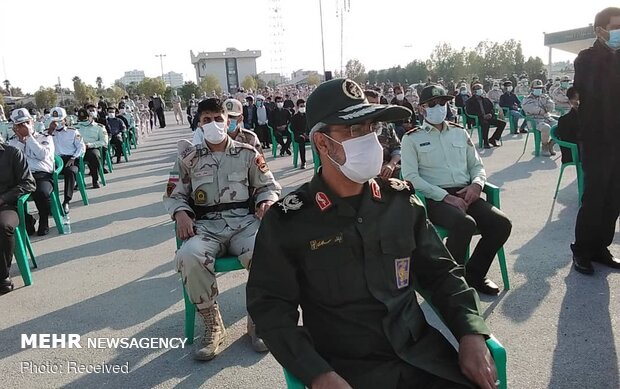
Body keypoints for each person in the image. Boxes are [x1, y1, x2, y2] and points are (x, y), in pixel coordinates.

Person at [247, 78, 499, 389]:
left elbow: (442, 274)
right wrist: (317, 374)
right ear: (322, 143)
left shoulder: (401, 202)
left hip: (424, 360)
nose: (368, 139)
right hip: (348, 372)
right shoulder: (290, 220)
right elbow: (270, 309)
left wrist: (470, 332)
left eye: (371, 127)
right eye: (353, 130)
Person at [163, 97, 281, 360]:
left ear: (228, 122)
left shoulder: (247, 154)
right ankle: (212, 323)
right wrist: (181, 213)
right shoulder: (188, 159)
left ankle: (257, 319)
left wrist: (267, 202)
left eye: (219, 119)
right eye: (207, 120)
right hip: (205, 227)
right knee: (188, 255)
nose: (214, 124)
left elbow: (268, 186)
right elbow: (174, 193)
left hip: (244, 223)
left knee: (269, 250)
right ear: (199, 125)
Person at [401, 84, 512, 295]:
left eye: (443, 102)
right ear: (422, 108)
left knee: (501, 224)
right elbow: (411, 177)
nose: (439, 107)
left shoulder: (459, 133)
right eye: (432, 104)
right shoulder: (411, 138)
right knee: (465, 224)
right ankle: (450, 281)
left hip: (466, 192)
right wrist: (445, 197)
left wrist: (477, 184)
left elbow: (477, 166)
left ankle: (475, 274)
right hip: (436, 198)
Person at [570, 7, 620, 275]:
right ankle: (582, 250)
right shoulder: (586, 58)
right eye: (615, 28)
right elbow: (596, 89)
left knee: (614, 197)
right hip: (596, 138)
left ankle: (601, 247)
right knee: (595, 195)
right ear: (599, 30)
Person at [8, 109, 54, 236]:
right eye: (19, 125)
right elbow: (14, 161)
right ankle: (28, 221)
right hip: (21, 177)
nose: (24, 126)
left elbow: (41, 155)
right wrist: (21, 141)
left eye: (27, 122)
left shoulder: (45, 137)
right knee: (8, 197)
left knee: (42, 192)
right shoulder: (12, 142)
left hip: (41, 175)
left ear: (32, 122)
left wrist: (29, 138)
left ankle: (44, 221)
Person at [0, 139, 35, 294]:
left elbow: (28, 183)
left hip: (7, 206)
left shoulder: (12, 153)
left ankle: (3, 276)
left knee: (3, 226)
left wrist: (3, 199)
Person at [48, 107, 85, 214]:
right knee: (44, 175)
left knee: (71, 171)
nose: (57, 124)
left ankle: (66, 201)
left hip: (70, 158)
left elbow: (81, 147)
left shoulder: (72, 131)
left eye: (59, 121)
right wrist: (50, 131)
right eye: (55, 121)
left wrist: (74, 157)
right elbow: (42, 146)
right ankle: (51, 204)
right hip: (54, 160)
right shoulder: (47, 133)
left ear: (65, 120)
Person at [193, 98, 262, 153]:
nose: (229, 119)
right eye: (227, 116)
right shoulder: (214, 137)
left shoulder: (250, 138)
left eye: (232, 116)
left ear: (240, 118)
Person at [365, 90, 401, 178]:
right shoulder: (355, 129)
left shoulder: (385, 125)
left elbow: (397, 148)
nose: (375, 107)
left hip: (386, 170)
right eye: (371, 104)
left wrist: (391, 165)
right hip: (365, 172)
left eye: (377, 104)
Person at [522, 79, 557, 156]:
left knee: (559, 126)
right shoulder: (527, 99)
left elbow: (551, 105)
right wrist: (543, 110)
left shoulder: (545, 96)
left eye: (540, 88)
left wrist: (545, 109)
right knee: (546, 128)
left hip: (546, 118)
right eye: (537, 88)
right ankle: (544, 147)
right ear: (532, 89)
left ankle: (550, 144)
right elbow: (531, 109)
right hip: (534, 121)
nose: (539, 90)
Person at [465, 83, 507, 148]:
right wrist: (482, 115)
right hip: (478, 119)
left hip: (488, 117)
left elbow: (492, 108)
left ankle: (493, 139)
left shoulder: (486, 99)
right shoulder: (469, 101)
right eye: (478, 89)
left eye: (480, 88)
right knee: (485, 124)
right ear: (474, 91)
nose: (480, 90)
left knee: (502, 123)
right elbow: (469, 111)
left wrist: (490, 114)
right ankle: (485, 142)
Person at [76, 108, 108, 188]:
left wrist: (90, 145)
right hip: (78, 149)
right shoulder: (75, 127)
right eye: (81, 119)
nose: (84, 121)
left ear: (91, 117)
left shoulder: (99, 127)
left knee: (94, 156)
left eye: (86, 118)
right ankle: (78, 181)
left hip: (91, 148)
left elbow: (104, 142)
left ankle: (95, 180)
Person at [290, 99, 309, 169]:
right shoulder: (294, 117)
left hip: (308, 135)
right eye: (301, 106)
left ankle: (319, 162)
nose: (303, 107)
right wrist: (302, 134)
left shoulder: (308, 116)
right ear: (297, 107)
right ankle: (303, 162)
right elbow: (293, 129)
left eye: (304, 106)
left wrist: (308, 134)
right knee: (301, 140)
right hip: (299, 136)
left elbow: (310, 126)